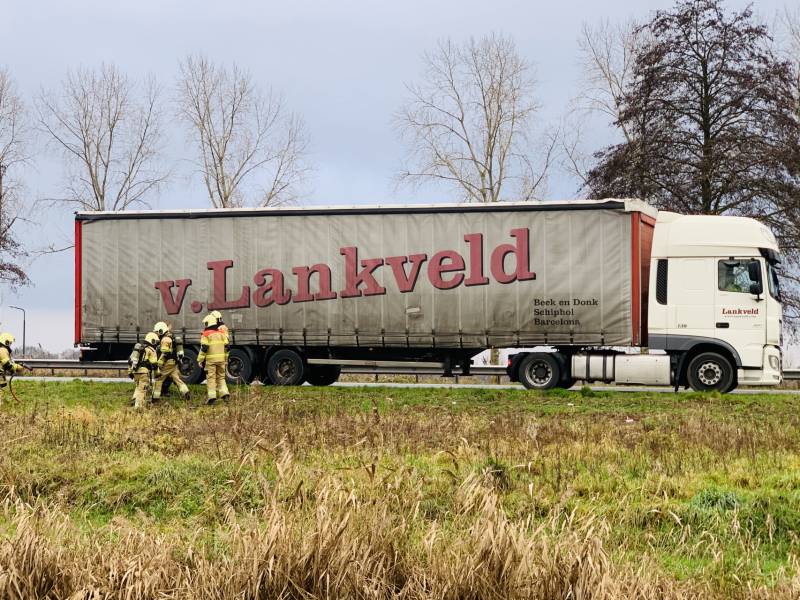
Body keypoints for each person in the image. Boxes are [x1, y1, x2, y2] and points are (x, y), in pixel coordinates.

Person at [152, 321, 190, 401]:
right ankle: (185, 392)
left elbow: (165, 353)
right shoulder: (171, 336)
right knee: (176, 379)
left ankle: (155, 397)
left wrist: (160, 363)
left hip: (168, 362)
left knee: (159, 379)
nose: (156, 334)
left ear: (161, 331)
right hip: (173, 362)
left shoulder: (165, 339)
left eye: (157, 332)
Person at [198, 312, 229, 404]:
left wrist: (200, 360)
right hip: (221, 360)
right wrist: (226, 359)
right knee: (221, 377)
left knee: (211, 378)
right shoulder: (222, 333)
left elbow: (204, 348)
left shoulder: (205, 334)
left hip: (210, 361)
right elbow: (227, 347)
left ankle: (212, 397)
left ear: (208, 323)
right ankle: (225, 394)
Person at [128, 332, 159, 409]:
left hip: (135, 372)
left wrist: (130, 372)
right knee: (142, 390)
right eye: (155, 341)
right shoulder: (151, 350)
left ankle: (134, 399)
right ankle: (138, 407)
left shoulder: (138, 348)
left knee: (138, 387)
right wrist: (157, 374)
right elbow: (154, 365)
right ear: (152, 340)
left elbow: (130, 361)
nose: (156, 343)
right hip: (144, 373)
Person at [0, 333, 26, 403]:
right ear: (6, 342)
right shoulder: (2, 350)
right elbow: (7, 365)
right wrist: (18, 367)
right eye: (10, 343)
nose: (10, 345)